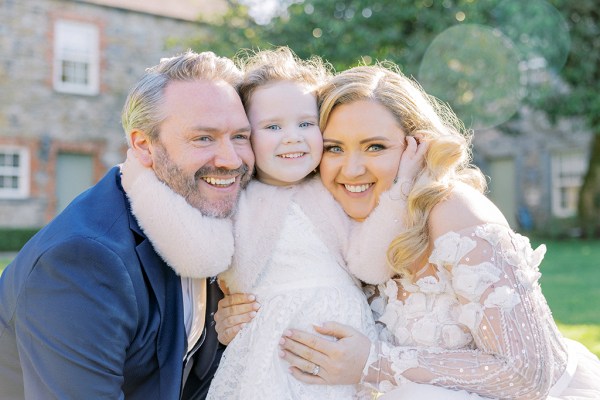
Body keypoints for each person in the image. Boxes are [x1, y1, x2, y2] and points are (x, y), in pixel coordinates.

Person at [220, 63, 600, 399]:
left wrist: (375, 363)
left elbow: (529, 374)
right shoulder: (336, 218)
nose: (351, 170)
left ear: (414, 146)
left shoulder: (453, 212)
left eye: (375, 147)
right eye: (334, 148)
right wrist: (239, 317)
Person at [120, 47, 426, 399]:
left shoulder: (333, 191)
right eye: (272, 126)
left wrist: (401, 188)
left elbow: (369, 264)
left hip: (337, 349)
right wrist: (139, 176)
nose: (292, 136)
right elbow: (200, 255)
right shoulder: (232, 199)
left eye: (306, 123)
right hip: (268, 351)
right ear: (246, 136)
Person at [0, 50, 254, 400]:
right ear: (144, 145)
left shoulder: (208, 224)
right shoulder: (81, 261)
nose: (231, 160)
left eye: (240, 136)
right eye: (203, 138)